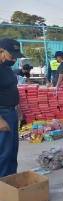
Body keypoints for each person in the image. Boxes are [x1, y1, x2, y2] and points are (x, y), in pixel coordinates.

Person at [0, 38, 24, 177]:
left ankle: (11, 181)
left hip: (11, 112)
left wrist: (18, 108)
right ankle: (3, 188)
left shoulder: (6, 67)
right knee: (3, 153)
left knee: (12, 151)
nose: (14, 58)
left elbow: (11, 88)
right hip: (2, 113)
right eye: (12, 55)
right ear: (1, 50)